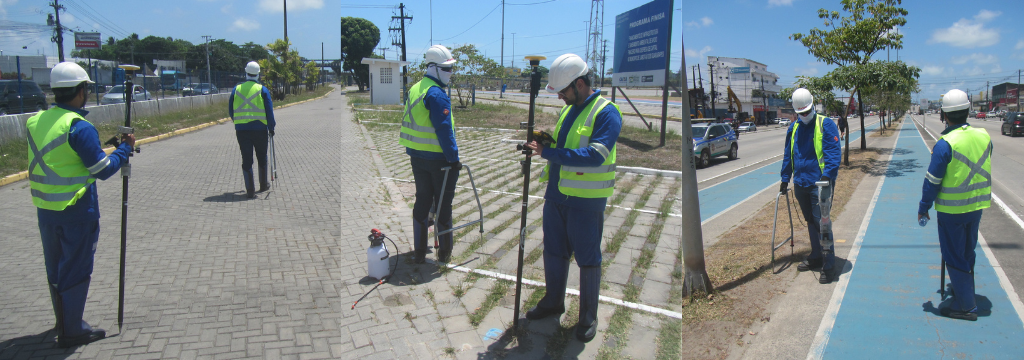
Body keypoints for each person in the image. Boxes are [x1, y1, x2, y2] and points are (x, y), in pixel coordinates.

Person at [27, 62, 136, 347]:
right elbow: (101, 169)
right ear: (80, 91)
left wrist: (112, 147)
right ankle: (72, 329)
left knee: (56, 269)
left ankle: (63, 319)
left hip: (46, 211)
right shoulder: (78, 126)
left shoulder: (35, 121)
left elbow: (66, 157)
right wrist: (124, 150)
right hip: (76, 210)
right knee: (75, 268)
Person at [523, 53, 623, 343]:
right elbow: (567, 145)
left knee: (588, 259)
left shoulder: (607, 111)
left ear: (579, 84)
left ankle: (588, 316)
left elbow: (596, 154)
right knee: (554, 251)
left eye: (563, 91)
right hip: (556, 196)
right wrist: (546, 143)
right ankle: (554, 301)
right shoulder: (569, 109)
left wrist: (549, 153)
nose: (561, 98)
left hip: (586, 201)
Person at [918, 89, 992, 321]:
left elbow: (932, 182)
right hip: (976, 207)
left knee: (953, 255)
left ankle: (966, 306)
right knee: (967, 252)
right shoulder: (984, 137)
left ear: (943, 115)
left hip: (952, 211)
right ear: (968, 110)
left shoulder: (945, 144)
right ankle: (964, 290)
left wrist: (923, 207)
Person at [403, 45, 460, 264]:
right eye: (446, 69)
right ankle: (444, 253)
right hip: (439, 161)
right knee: (443, 206)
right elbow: (444, 130)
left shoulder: (416, 87)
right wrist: (454, 160)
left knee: (423, 200)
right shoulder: (436, 94)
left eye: (451, 68)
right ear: (433, 68)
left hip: (417, 157)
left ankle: (419, 252)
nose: (450, 73)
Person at [780, 88, 842, 284]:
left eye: (807, 111)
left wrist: (827, 176)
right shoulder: (793, 128)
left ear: (813, 105)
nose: (804, 116)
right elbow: (788, 155)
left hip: (820, 184)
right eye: (801, 113)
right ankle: (816, 255)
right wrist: (784, 178)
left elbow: (833, 154)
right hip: (801, 183)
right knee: (810, 221)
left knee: (822, 224)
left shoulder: (826, 124)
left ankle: (829, 265)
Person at [228, 61, 276, 199]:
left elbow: (231, 110)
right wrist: (271, 127)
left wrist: (237, 121)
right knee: (262, 156)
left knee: (247, 159)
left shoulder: (236, 89)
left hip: (242, 130)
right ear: (258, 73)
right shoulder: (262, 89)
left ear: (246, 72)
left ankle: (250, 190)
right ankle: (263, 184)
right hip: (260, 129)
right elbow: (269, 111)